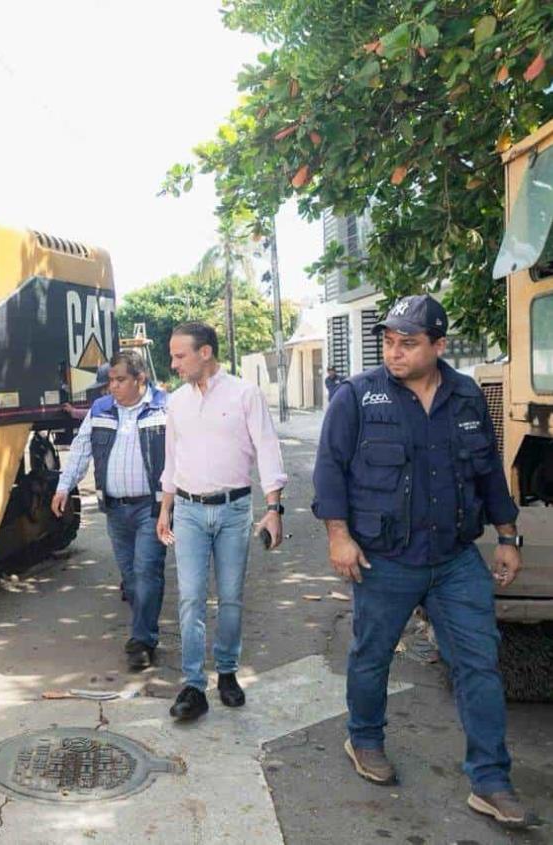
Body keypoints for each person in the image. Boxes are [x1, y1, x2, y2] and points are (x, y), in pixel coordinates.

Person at [312, 294, 537, 830]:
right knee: (371, 656)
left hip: (455, 559)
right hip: (386, 559)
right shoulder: (357, 397)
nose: (394, 352)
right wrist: (338, 537)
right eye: (388, 342)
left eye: (408, 343)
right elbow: (329, 470)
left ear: (438, 345)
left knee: (479, 663)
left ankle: (490, 779)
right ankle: (364, 739)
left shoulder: (466, 397)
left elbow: (487, 473)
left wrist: (508, 537)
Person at [156, 322, 287, 721]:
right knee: (191, 597)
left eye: (180, 355)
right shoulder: (175, 402)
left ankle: (227, 672)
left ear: (205, 353)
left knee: (230, 597)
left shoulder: (244, 394)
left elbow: (267, 448)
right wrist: (165, 509)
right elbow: (171, 461)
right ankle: (193, 685)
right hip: (190, 511)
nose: (174, 363)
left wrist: (274, 508)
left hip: (234, 510)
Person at [52, 350, 169, 671]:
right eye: (110, 381)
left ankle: (142, 639)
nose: (112, 387)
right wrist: (64, 486)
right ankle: (143, 630)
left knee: (147, 572)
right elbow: (81, 448)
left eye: (120, 380)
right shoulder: (101, 409)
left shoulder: (165, 408)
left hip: (152, 508)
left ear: (140, 379)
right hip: (116, 510)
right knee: (131, 579)